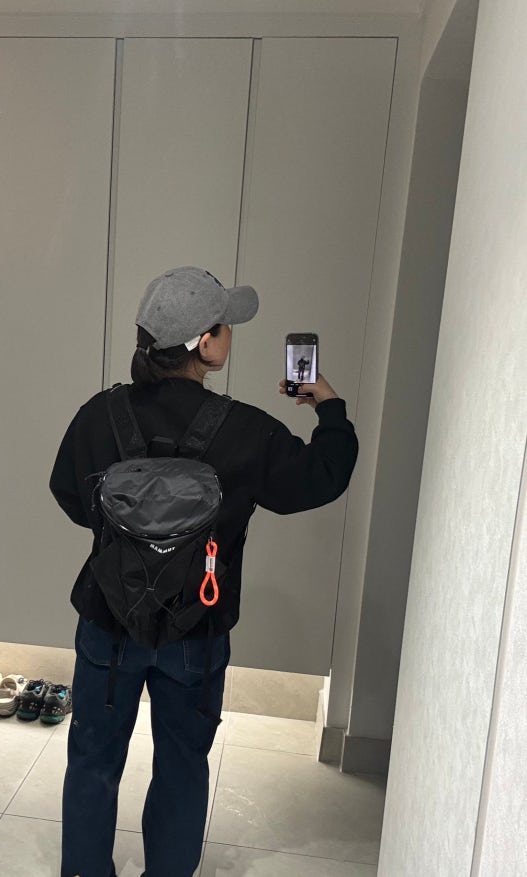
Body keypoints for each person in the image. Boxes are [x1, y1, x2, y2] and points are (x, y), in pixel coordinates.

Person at [49, 266, 358, 877]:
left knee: (92, 759)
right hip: (197, 626)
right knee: (183, 765)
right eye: (226, 326)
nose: (230, 336)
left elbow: (67, 492)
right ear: (205, 345)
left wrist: (129, 542)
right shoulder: (245, 430)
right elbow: (323, 477)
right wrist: (328, 405)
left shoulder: (100, 415)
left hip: (108, 621)